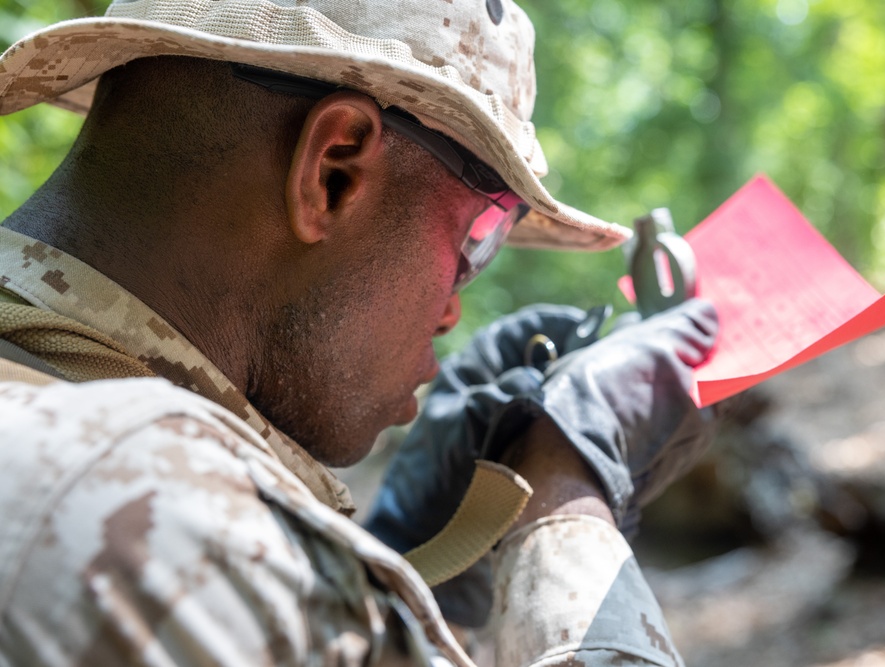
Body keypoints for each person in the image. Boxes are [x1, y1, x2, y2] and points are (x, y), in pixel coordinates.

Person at [0, 0, 718, 665]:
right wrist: (566, 490)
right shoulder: (153, 516)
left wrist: (397, 556)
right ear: (335, 170)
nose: (450, 313)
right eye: (480, 234)